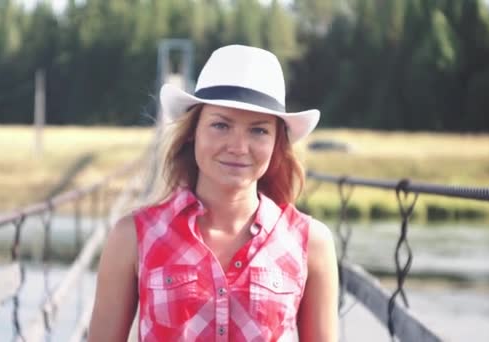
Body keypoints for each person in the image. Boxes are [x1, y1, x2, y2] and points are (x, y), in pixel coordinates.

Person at [88, 45, 338, 341]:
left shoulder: (311, 243)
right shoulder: (132, 237)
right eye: (221, 125)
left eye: (258, 131)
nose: (238, 147)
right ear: (193, 130)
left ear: (277, 143)